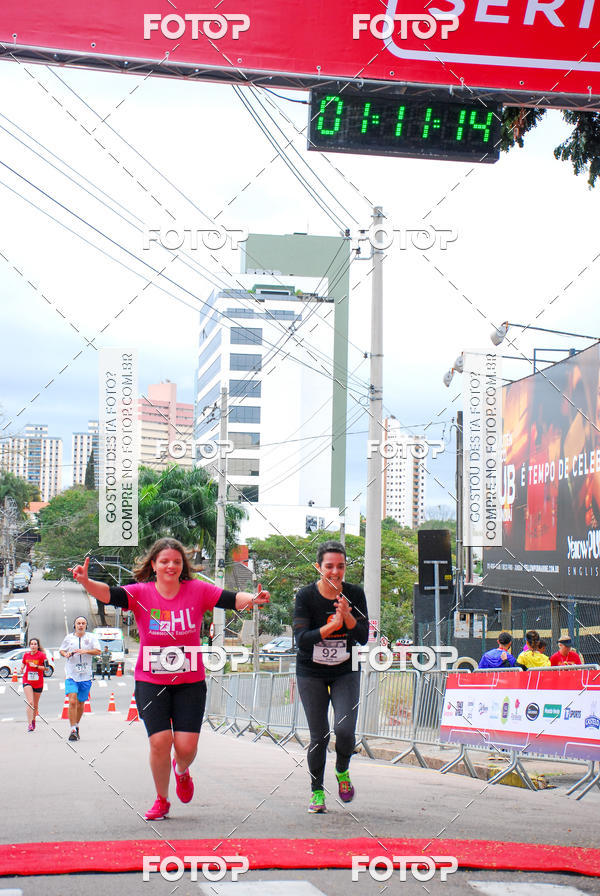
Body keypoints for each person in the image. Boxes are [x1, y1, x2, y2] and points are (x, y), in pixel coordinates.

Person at [70, 538, 269, 821]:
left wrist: (253, 599)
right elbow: (110, 595)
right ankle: (162, 800)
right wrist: (86, 582)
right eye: (164, 561)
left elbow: (228, 598)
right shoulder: (140, 593)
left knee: (186, 748)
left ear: (183, 565)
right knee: (160, 742)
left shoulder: (197, 590)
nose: (170, 566)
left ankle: (182, 770)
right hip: (151, 681)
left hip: (189, 683)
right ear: (153, 565)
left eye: (176, 561)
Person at [293, 540, 369, 814]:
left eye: (340, 566)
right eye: (329, 566)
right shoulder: (305, 596)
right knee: (320, 736)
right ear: (318, 567)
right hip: (311, 672)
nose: (335, 572)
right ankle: (316, 792)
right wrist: (331, 627)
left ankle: (342, 771)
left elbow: (362, 637)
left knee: (345, 730)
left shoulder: (355, 595)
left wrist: (347, 618)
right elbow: (301, 640)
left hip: (345, 672)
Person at [59, 617, 101, 741]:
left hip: (86, 674)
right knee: (72, 701)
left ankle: (76, 725)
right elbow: (61, 650)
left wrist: (86, 651)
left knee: (81, 702)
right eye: (78, 623)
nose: (81, 625)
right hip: (71, 674)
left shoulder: (91, 638)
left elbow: (98, 651)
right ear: (75, 625)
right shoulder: (69, 638)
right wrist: (65, 654)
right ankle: (72, 729)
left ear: (86, 626)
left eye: (83, 623)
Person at [20, 637, 47, 732]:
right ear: (29, 645)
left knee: (35, 705)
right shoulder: (26, 655)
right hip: (27, 680)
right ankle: (29, 724)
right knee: (30, 702)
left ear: (38, 646)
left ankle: (34, 719)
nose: (33, 646)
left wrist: (36, 666)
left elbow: (46, 668)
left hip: (38, 682)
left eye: (35, 644)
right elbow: (23, 663)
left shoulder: (42, 655)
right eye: (31, 644)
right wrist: (22, 668)